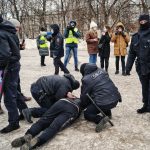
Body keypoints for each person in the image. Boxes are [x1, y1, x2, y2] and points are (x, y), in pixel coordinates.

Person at [11, 96, 81, 149]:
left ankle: (28, 134)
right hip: (72, 109)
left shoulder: (70, 96)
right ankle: (38, 140)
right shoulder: (78, 108)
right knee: (54, 127)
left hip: (62, 101)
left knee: (43, 121)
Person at [0, 19, 28, 133]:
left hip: (8, 66)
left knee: (9, 95)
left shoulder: (2, 33)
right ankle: (25, 111)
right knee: (13, 91)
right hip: (14, 65)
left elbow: (4, 55)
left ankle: (14, 123)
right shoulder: (10, 30)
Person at [80, 63, 121, 132]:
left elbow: (84, 96)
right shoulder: (102, 71)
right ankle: (108, 114)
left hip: (104, 103)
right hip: (115, 98)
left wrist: (82, 106)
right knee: (102, 94)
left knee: (87, 113)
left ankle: (100, 119)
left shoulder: (86, 79)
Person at [126, 14, 150, 113]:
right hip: (141, 67)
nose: (143, 23)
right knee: (145, 86)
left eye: (145, 21)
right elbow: (131, 53)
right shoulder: (135, 36)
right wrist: (128, 67)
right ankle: (146, 105)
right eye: (141, 21)